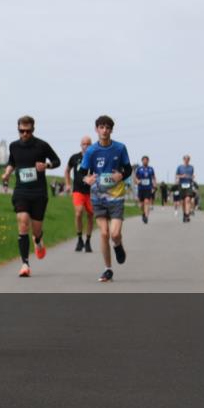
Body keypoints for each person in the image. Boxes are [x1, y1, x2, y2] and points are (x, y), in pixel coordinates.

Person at [1, 116, 61, 278]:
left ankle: (38, 240)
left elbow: (57, 161)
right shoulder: (14, 146)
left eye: (28, 131)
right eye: (22, 131)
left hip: (39, 192)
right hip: (21, 191)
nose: (25, 134)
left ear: (33, 130)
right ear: (18, 129)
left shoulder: (42, 145)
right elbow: (12, 162)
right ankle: (25, 264)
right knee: (22, 222)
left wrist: (46, 165)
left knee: (36, 229)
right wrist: (7, 173)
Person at [80, 115, 132, 283]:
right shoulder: (91, 151)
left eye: (107, 127)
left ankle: (118, 245)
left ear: (111, 130)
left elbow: (128, 169)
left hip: (116, 196)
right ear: (96, 130)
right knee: (104, 233)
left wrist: (121, 175)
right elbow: (82, 172)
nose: (104, 130)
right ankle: (108, 269)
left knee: (115, 234)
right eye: (101, 127)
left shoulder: (120, 148)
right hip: (98, 196)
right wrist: (86, 179)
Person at [65, 136, 94, 252]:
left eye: (88, 144)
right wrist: (67, 183)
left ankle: (88, 241)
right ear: (80, 145)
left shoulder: (94, 158)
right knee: (78, 213)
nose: (86, 146)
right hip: (78, 190)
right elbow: (67, 170)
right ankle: (79, 239)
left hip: (91, 192)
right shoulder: (75, 158)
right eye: (84, 144)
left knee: (91, 215)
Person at [135, 156, 157, 224]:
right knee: (141, 204)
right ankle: (143, 213)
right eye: (144, 160)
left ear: (148, 161)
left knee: (147, 202)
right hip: (141, 188)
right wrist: (137, 181)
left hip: (148, 188)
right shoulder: (139, 169)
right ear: (142, 161)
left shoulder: (151, 169)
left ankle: (146, 217)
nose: (145, 161)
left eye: (146, 160)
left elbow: (153, 178)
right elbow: (135, 178)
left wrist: (154, 184)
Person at [176, 155, 196, 223]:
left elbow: (192, 175)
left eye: (188, 159)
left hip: (189, 185)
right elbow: (177, 176)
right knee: (183, 202)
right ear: (183, 159)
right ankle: (184, 214)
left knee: (187, 200)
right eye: (185, 159)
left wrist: (192, 177)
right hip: (181, 185)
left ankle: (187, 215)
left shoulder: (191, 167)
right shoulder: (179, 167)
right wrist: (181, 176)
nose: (187, 160)